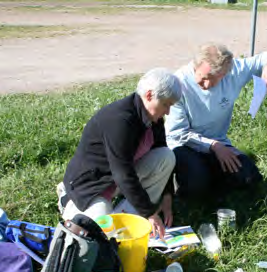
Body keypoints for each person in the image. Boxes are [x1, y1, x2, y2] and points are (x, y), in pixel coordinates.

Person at [57, 68, 182, 238]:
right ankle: (68, 200)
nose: (167, 111)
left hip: (117, 180)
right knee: (100, 234)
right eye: (166, 104)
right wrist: (150, 213)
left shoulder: (154, 118)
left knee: (166, 157)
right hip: (91, 185)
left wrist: (167, 197)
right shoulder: (120, 120)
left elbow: (160, 147)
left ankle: (130, 216)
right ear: (149, 95)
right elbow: (123, 173)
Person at [165, 43, 267, 201]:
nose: (207, 85)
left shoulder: (234, 70)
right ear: (195, 65)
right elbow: (177, 133)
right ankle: (185, 181)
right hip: (185, 145)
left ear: (225, 73)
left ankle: (210, 178)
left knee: (249, 176)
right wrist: (213, 146)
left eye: (214, 79)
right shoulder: (178, 84)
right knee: (196, 184)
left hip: (219, 143)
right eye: (203, 77)